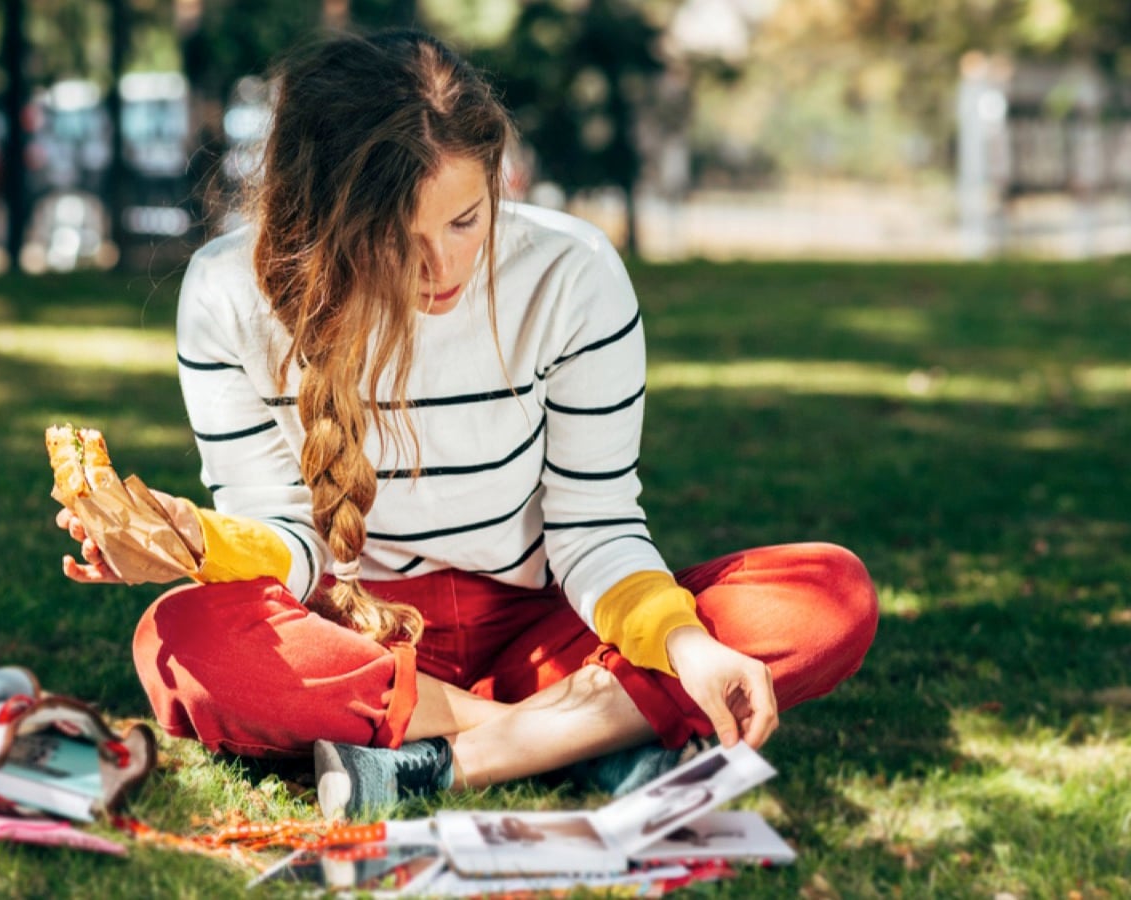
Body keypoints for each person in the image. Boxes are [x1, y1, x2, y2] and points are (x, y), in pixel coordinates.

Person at [57, 28, 878, 821]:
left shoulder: (571, 275)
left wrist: (686, 646)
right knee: (181, 640)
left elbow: (594, 531)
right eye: (397, 237)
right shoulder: (228, 294)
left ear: (499, 182)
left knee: (825, 595)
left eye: (465, 221)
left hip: (543, 631)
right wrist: (196, 542)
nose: (443, 269)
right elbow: (288, 542)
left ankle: (451, 761)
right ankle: (582, 738)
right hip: (355, 636)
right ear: (325, 221)